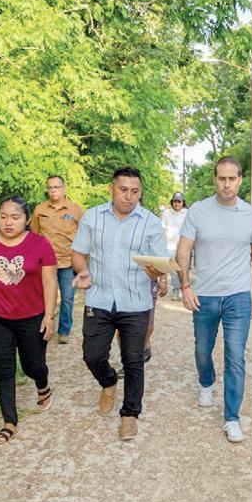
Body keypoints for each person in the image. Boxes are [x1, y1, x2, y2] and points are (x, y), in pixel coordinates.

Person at [71, 167, 168, 440]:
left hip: (135, 302)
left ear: (140, 193)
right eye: (123, 190)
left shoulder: (150, 223)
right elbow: (78, 253)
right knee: (92, 355)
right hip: (99, 298)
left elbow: (160, 263)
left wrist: (159, 274)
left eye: (134, 191)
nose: (129, 196)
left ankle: (130, 414)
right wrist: (83, 270)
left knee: (134, 359)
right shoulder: (93, 217)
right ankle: (109, 381)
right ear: (111, 189)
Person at [176, 156, 252, 444]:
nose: (227, 184)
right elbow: (183, 251)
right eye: (222, 178)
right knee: (203, 350)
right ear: (215, 179)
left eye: (232, 178)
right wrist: (185, 285)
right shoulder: (199, 211)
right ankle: (206, 382)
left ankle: (232, 418)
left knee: (235, 356)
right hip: (204, 295)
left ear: (240, 180)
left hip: (238, 296)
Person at [0, 197, 57, 444]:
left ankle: (43, 385)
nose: (8, 222)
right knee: (3, 369)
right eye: (3, 217)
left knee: (33, 365)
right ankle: (9, 422)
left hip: (33, 317)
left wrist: (49, 315)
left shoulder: (40, 244)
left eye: (15, 217)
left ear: (27, 219)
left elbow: (49, 282)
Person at [31, 176, 84, 344]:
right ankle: (43, 327)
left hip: (67, 262)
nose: (53, 190)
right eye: (50, 187)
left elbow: (84, 237)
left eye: (56, 187)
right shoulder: (39, 210)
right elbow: (34, 235)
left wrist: (83, 265)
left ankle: (64, 331)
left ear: (64, 188)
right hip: (45, 263)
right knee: (43, 297)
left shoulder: (76, 209)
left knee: (67, 298)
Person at [161, 192, 188, 300]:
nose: (177, 203)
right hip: (170, 246)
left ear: (183, 202)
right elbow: (162, 228)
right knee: (173, 270)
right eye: (175, 201)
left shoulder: (187, 213)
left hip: (183, 246)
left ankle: (184, 289)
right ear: (172, 202)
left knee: (182, 269)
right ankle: (176, 291)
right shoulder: (166, 213)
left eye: (179, 201)